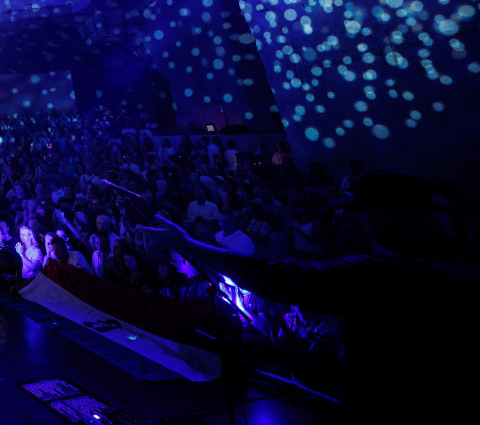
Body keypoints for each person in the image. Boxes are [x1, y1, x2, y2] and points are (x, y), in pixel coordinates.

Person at [141, 172, 478, 423]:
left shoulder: (386, 271)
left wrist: (185, 244)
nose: (360, 223)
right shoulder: (461, 268)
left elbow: (282, 278)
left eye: (366, 213)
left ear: (392, 215)